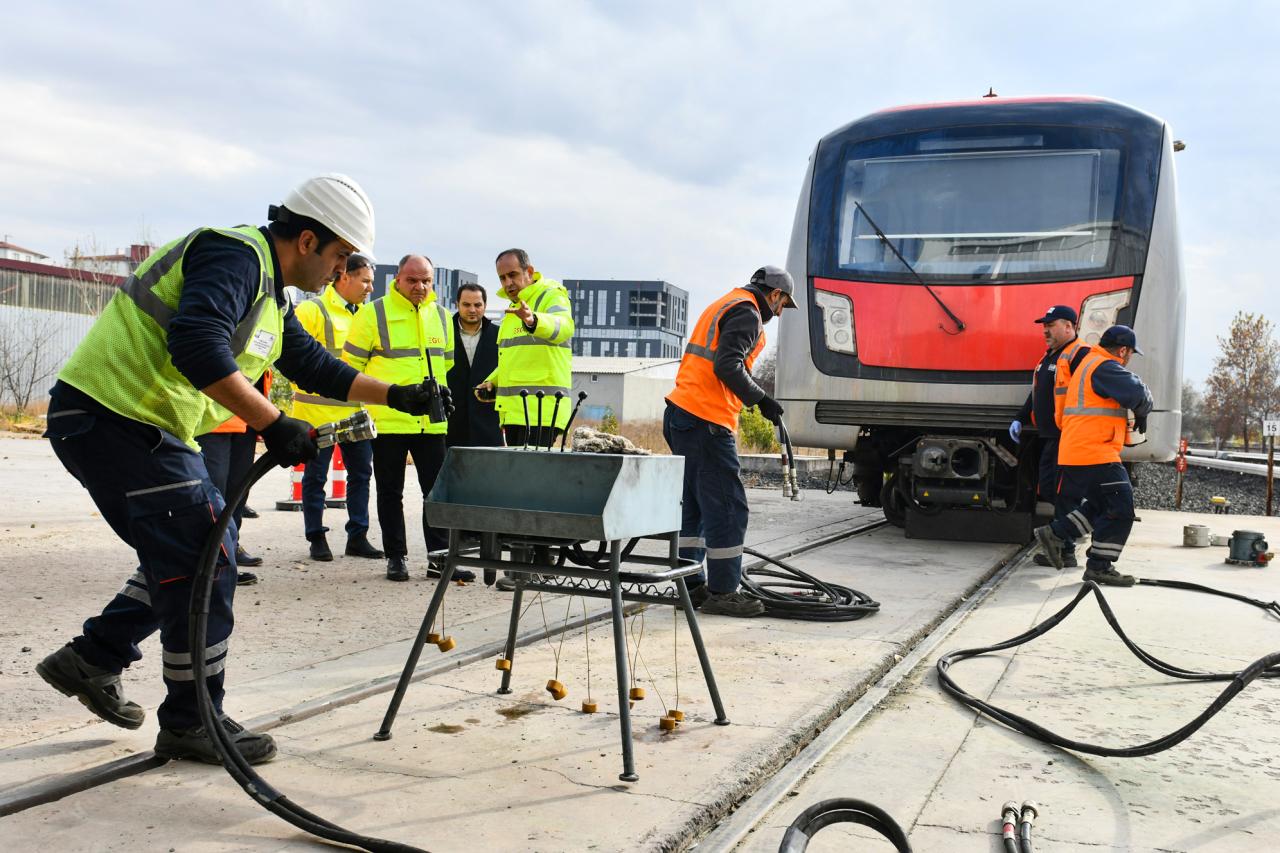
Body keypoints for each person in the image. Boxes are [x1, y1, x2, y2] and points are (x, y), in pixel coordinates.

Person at [36, 174, 449, 766]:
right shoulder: (234, 255)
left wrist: (399, 396)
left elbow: (316, 367)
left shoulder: (271, 296)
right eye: (338, 257)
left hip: (141, 425)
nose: (339, 272)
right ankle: (191, 717)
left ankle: (95, 656)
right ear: (307, 240)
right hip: (109, 415)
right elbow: (198, 345)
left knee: (201, 549)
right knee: (208, 554)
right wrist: (274, 423)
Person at [663, 265, 795, 617]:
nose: (779, 312)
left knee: (694, 506)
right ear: (775, 296)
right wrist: (761, 399)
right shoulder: (748, 313)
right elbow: (727, 365)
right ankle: (723, 592)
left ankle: (688, 585)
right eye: (782, 304)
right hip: (706, 420)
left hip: (681, 414)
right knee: (726, 507)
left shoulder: (725, 302)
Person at [342, 254, 474, 583]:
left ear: (433, 282)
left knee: (436, 492)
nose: (419, 286)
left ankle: (439, 558)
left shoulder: (443, 317)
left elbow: (446, 365)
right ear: (398, 280)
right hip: (389, 419)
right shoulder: (374, 313)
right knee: (390, 491)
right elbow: (349, 367)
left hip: (432, 421)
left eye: (425, 280)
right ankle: (396, 557)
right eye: (412, 280)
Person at [1034, 325, 1153, 586]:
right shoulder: (1105, 366)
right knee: (1122, 506)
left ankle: (1055, 534)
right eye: (1130, 354)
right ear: (1123, 350)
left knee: (1100, 505)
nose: (1129, 358)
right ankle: (1099, 566)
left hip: (1079, 450)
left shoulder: (1090, 363)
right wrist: (1145, 407)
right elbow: (1138, 394)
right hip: (1094, 451)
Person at [289, 253, 382, 562]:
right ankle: (316, 537)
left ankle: (358, 536)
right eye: (365, 280)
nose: (370, 287)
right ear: (344, 276)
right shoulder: (311, 310)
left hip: (356, 414)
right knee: (315, 478)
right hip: (317, 415)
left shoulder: (366, 315)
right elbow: (292, 357)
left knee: (361, 476)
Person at [475, 249, 575, 449]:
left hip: (543, 410)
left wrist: (533, 320)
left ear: (529, 271)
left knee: (533, 477)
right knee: (518, 476)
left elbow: (564, 327)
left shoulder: (551, 294)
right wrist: (491, 382)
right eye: (502, 278)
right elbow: (515, 359)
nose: (507, 283)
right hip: (514, 411)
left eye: (512, 275)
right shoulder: (513, 309)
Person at [1010, 305, 1081, 567]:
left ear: (1069, 326)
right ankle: (1064, 544)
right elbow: (1037, 392)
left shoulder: (1078, 354)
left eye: (1050, 325)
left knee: (1064, 494)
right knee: (1051, 490)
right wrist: (1020, 417)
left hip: (1068, 437)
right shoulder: (1049, 356)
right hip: (1051, 436)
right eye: (1044, 326)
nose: (1045, 331)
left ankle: (1066, 550)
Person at [196, 371, 271, 582]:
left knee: (238, 491)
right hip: (213, 418)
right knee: (214, 494)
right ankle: (211, 562)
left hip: (246, 415)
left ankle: (229, 551)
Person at [446, 281, 502, 449]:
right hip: (450, 421)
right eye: (466, 304)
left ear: (485, 306)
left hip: (489, 422)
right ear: (457, 305)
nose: (472, 310)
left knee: (488, 474)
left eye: (477, 305)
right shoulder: (443, 333)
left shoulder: (499, 335)